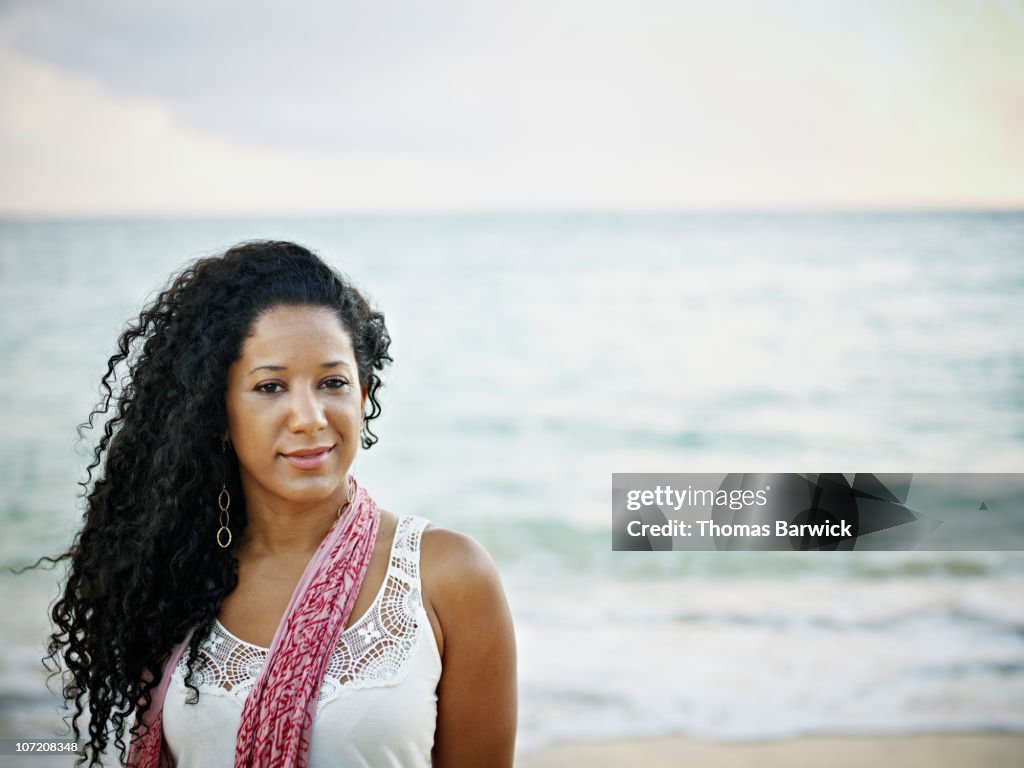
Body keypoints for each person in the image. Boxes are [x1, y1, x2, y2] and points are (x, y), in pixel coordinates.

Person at [44, 241, 517, 767]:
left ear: (362, 397)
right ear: (217, 414)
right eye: (270, 386)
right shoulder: (177, 576)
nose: (310, 416)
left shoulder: (448, 576)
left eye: (332, 382)